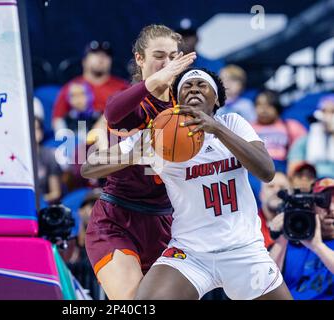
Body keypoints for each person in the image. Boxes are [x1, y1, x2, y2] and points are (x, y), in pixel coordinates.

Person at [116, 68, 292, 300]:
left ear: (216, 98)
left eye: (202, 84)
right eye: (187, 86)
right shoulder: (160, 134)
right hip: (190, 253)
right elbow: (91, 166)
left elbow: (267, 172)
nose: (194, 89)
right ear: (177, 101)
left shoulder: (233, 123)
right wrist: (131, 155)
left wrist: (217, 129)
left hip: (243, 250)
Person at [80, 24, 196, 299]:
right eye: (159, 55)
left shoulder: (186, 107)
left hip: (167, 222)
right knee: (131, 300)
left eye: (173, 56)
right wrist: (156, 82)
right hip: (117, 219)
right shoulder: (131, 103)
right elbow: (113, 113)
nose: (167, 63)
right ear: (140, 58)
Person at [269, 178, 334, 300]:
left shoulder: (317, 246)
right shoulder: (289, 242)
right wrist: (282, 238)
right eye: (323, 201)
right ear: (311, 206)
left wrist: (318, 246)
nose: (331, 208)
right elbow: (264, 283)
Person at [52, 41, 129, 134]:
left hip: (114, 138)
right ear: (84, 61)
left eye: (106, 55)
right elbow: (57, 118)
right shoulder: (71, 87)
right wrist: (66, 139)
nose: (101, 58)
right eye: (95, 54)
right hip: (78, 139)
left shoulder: (123, 88)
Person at [251, 89, 306, 173]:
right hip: (255, 168)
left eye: (268, 105)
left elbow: (303, 150)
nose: (263, 110)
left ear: (277, 107)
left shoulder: (291, 126)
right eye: (259, 105)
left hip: (283, 168)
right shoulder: (247, 127)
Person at [288, 94, 334, 178]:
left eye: (332, 112)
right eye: (324, 111)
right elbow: (293, 171)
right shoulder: (303, 142)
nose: (328, 117)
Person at [259, 172, 292, 249]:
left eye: (282, 187)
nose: (277, 190)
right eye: (271, 186)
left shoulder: (302, 223)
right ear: (261, 195)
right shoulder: (249, 225)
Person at [34, 116, 62, 203]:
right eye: (29, 128)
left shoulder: (49, 156)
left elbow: (56, 193)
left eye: (37, 128)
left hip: (42, 207)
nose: (33, 132)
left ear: (41, 133)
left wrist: (37, 202)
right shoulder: (17, 158)